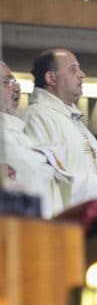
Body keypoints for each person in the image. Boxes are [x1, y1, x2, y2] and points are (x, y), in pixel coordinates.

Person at [23, 48, 97, 208]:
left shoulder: (74, 121)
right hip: (65, 224)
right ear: (51, 78)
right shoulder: (37, 116)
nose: (82, 74)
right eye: (73, 69)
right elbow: (41, 177)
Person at [0, 60, 68, 218]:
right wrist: (46, 156)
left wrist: (44, 156)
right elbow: (31, 170)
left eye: (15, 82)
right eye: (8, 82)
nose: (16, 87)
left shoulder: (15, 129)